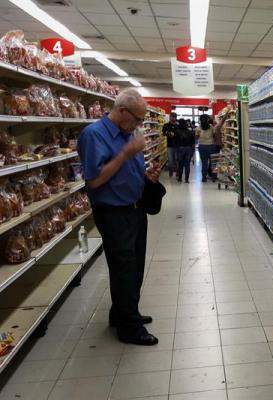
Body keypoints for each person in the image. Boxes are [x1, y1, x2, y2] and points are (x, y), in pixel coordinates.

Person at [77, 89, 160, 346]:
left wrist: (146, 176)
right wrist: (126, 153)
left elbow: (125, 169)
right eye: (137, 119)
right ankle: (129, 328)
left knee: (134, 265)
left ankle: (124, 313)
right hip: (114, 212)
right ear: (122, 111)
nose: (139, 125)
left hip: (134, 209)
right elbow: (95, 179)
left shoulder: (128, 132)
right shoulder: (94, 135)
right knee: (123, 267)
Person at [196, 114, 215, 182]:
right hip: (211, 146)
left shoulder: (198, 128)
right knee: (212, 162)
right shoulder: (211, 127)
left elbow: (196, 137)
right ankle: (213, 177)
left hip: (202, 146)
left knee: (204, 163)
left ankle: (204, 177)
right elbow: (214, 135)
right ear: (207, 120)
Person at [176, 118, 195, 183]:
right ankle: (186, 179)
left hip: (180, 148)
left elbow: (176, 141)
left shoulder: (177, 131)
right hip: (188, 148)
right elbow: (193, 141)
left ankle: (180, 178)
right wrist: (192, 150)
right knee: (187, 164)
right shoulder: (189, 131)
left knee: (180, 164)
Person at [162, 112, 179, 178]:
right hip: (170, 145)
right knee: (170, 160)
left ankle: (177, 172)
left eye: (174, 117)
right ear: (170, 117)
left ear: (176, 117)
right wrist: (169, 133)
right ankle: (171, 172)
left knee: (177, 160)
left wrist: (175, 134)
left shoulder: (178, 125)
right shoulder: (166, 125)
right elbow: (163, 132)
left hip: (177, 145)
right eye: (172, 117)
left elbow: (179, 134)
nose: (173, 118)